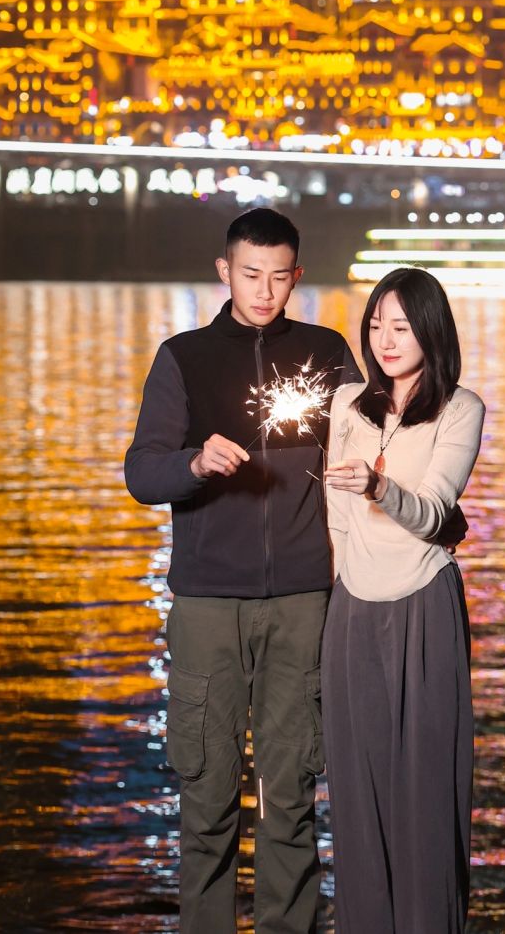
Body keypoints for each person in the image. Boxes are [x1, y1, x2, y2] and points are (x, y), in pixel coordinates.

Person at [123, 207, 360, 934]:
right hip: (206, 605)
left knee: (291, 795)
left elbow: (375, 443)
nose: (264, 289)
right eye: (250, 273)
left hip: (302, 599)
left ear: (296, 276)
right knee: (206, 796)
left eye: (279, 275)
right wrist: (194, 463)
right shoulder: (183, 356)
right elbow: (141, 471)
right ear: (224, 272)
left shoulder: (328, 350)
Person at [323, 266, 485, 934]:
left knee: (426, 799)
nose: (385, 338)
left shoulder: (461, 408)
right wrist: (336, 597)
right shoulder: (346, 403)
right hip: (352, 611)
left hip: (424, 608)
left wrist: (378, 485)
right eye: (375, 323)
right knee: (357, 802)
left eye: (401, 324)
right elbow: (335, 518)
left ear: (431, 329)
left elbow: (436, 509)